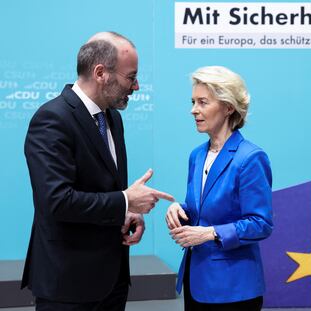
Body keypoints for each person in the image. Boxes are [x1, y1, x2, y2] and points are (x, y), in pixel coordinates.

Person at [22, 31, 174, 310]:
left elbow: (103, 190)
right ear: (101, 72)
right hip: (69, 286)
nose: (137, 86)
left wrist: (127, 214)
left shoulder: (112, 117)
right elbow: (57, 201)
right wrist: (126, 200)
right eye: (131, 77)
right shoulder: (52, 119)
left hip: (112, 281)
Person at [166, 66, 273, 311]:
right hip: (196, 281)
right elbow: (200, 211)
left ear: (228, 107)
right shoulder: (196, 155)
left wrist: (210, 233)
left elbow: (261, 223)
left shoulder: (250, 157)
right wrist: (178, 210)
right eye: (193, 101)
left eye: (203, 102)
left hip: (234, 289)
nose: (194, 110)